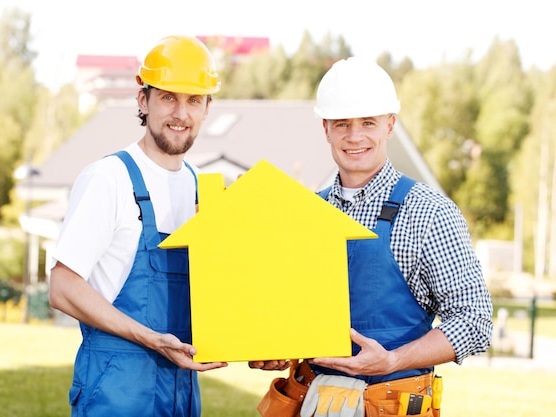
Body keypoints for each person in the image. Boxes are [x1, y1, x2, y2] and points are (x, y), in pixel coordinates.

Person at [250, 57, 493, 416]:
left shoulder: (428, 212)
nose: (354, 136)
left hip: (389, 402)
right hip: (313, 401)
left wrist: (392, 360)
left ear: (390, 125)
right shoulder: (305, 213)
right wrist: (275, 347)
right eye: (342, 123)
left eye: (368, 122)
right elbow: (293, 312)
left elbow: (474, 320)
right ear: (326, 129)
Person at [48, 35, 227, 417]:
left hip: (182, 392)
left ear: (208, 108)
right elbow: (62, 288)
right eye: (168, 97)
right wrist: (150, 338)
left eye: (194, 99)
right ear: (143, 100)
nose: (181, 112)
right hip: (118, 391)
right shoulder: (109, 178)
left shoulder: (203, 190)